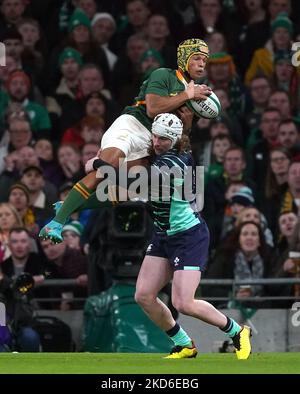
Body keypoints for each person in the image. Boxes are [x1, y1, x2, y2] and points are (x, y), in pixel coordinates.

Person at [39, 38, 212, 243]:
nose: (202, 64)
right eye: (197, 58)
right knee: (105, 169)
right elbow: (153, 108)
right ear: (184, 58)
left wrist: (189, 121)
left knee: (132, 187)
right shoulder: (164, 75)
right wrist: (186, 94)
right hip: (132, 126)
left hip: (153, 140)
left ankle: (71, 204)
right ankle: (56, 222)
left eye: (205, 60)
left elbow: (182, 135)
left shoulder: (198, 97)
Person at [132, 113, 252, 360]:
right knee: (143, 295)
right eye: (154, 135)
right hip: (164, 234)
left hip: (189, 235)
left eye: (163, 138)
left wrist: (101, 166)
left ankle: (237, 331)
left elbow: (132, 181)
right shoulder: (161, 155)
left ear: (175, 139)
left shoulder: (174, 162)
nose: (156, 142)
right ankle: (184, 343)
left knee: (184, 303)